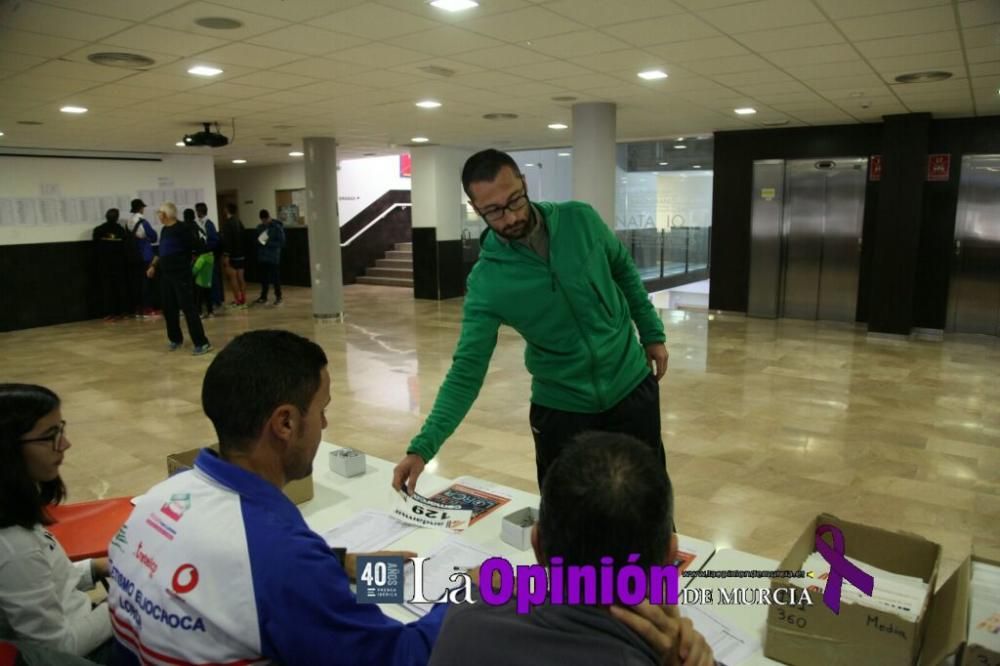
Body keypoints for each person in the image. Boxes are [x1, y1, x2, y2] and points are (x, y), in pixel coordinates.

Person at [106, 330, 446, 666]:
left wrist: (338, 565)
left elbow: (231, 577)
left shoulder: (155, 500)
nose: (324, 424)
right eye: (321, 411)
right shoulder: (281, 559)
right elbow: (404, 656)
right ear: (285, 422)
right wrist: (470, 593)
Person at [393, 149, 669, 496]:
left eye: (515, 201)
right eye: (493, 211)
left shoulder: (579, 220)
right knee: (569, 519)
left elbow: (623, 269)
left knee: (648, 500)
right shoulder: (488, 281)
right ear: (475, 209)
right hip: (563, 411)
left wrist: (652, 333)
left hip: (631, 388)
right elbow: (467, 370)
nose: (509, 218)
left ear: (524, 184)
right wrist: (422, 447)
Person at [429, 432, 716, 666]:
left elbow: (476, 583)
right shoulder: (674, 657)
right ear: (670, 560)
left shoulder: (464, 626)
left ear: (538, 545)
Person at [0, 384, 113, 663]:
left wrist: (96, 567)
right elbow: (60, 649)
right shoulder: (13, 547)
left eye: (60, 429)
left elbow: (46, 579)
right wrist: (129, 601)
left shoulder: (14, 514)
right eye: (51, 435)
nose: (65, 443)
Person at [145, 203, 212, 355]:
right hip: (166, 275)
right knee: (169, 308)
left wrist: (189, 262)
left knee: (188, 308)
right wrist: (153, 266)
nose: (158, 216)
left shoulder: (183, 229)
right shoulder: (164, 230)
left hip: (181, 275)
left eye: (160, 213)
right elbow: (161, 252)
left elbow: (198, 246)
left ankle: (202, 343)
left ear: (167, 215)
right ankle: (175, 339)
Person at [91, 209, 129, 321]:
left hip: (104, 264)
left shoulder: (98, 230)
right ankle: (123, 311)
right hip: (119, 264)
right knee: (121, 287)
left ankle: (110, 313)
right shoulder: (121, 230)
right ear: (117, 218)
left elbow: (95, 246)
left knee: (107, 288)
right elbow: (125, 246)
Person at [124, 199, 158, 319]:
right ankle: (147, 309)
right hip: (145, 254)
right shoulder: (143, 221)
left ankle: (137, 308)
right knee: (146, 283)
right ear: (141, 208)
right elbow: (153, 237)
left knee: (136, 282)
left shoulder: (128, 222)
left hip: (133, 255)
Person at [185, 207, 215, 319]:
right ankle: (210, 311)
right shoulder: (198, 226)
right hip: (207, 260)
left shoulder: (186, 227)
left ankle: (199, 311)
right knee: (207, 289)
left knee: (197, 290)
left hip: (198, 258)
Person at [194, 202, 224, 308]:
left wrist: (205, 248)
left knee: (211, 279)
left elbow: (214, 241)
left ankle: (215, 300)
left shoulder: (208, 224)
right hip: (205, 254)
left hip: (207, 255)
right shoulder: (202, 223)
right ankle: (211, 301)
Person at [254, 209, 285, 306]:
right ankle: (263, 296)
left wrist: (268, 243)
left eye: (265, 220)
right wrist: (260, 242)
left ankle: (278, 296)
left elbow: (281, 242)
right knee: (264, 278)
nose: (264, 222)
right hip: (263, 256)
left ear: (268, 218)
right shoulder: (260, 227)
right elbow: (258, 241)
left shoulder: (277, 227)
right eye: (262, 221)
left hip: (273, 257)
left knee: (275, 278)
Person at [220, 203, 247, 307]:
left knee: (233, 278)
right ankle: (243, 300)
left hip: (232, 255)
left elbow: (227, 241)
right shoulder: (239, 222)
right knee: (241, 278)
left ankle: (237, 300)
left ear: (227, 210)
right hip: (241, 254)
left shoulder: (227, 224)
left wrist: (226, 255)